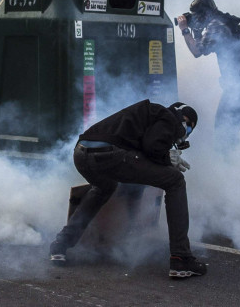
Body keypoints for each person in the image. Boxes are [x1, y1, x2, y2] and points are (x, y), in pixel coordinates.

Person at [49, 100, 207, 279]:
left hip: (81, 153)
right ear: (186, 121)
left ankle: (60, 245)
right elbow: (152, 146)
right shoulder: (171, 119)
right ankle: (181, 258)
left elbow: (140, 155)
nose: (185, 135)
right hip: (112, 155)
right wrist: (166, 158)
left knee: (104, 187)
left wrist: (161, 157)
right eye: (188, 130)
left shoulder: (151, 115)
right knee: (176, 181)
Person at [176, 0, 240, 151]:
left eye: (197, 15)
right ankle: (231, 161)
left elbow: (197, 51)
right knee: (229, 128)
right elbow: (204, 46)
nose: (196, 18)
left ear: (204, 14)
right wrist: (196, 31)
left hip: (238, 86)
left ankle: (229, 164)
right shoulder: (228, 20)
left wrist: (185, 30)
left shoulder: (216, 26)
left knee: (224, 131)